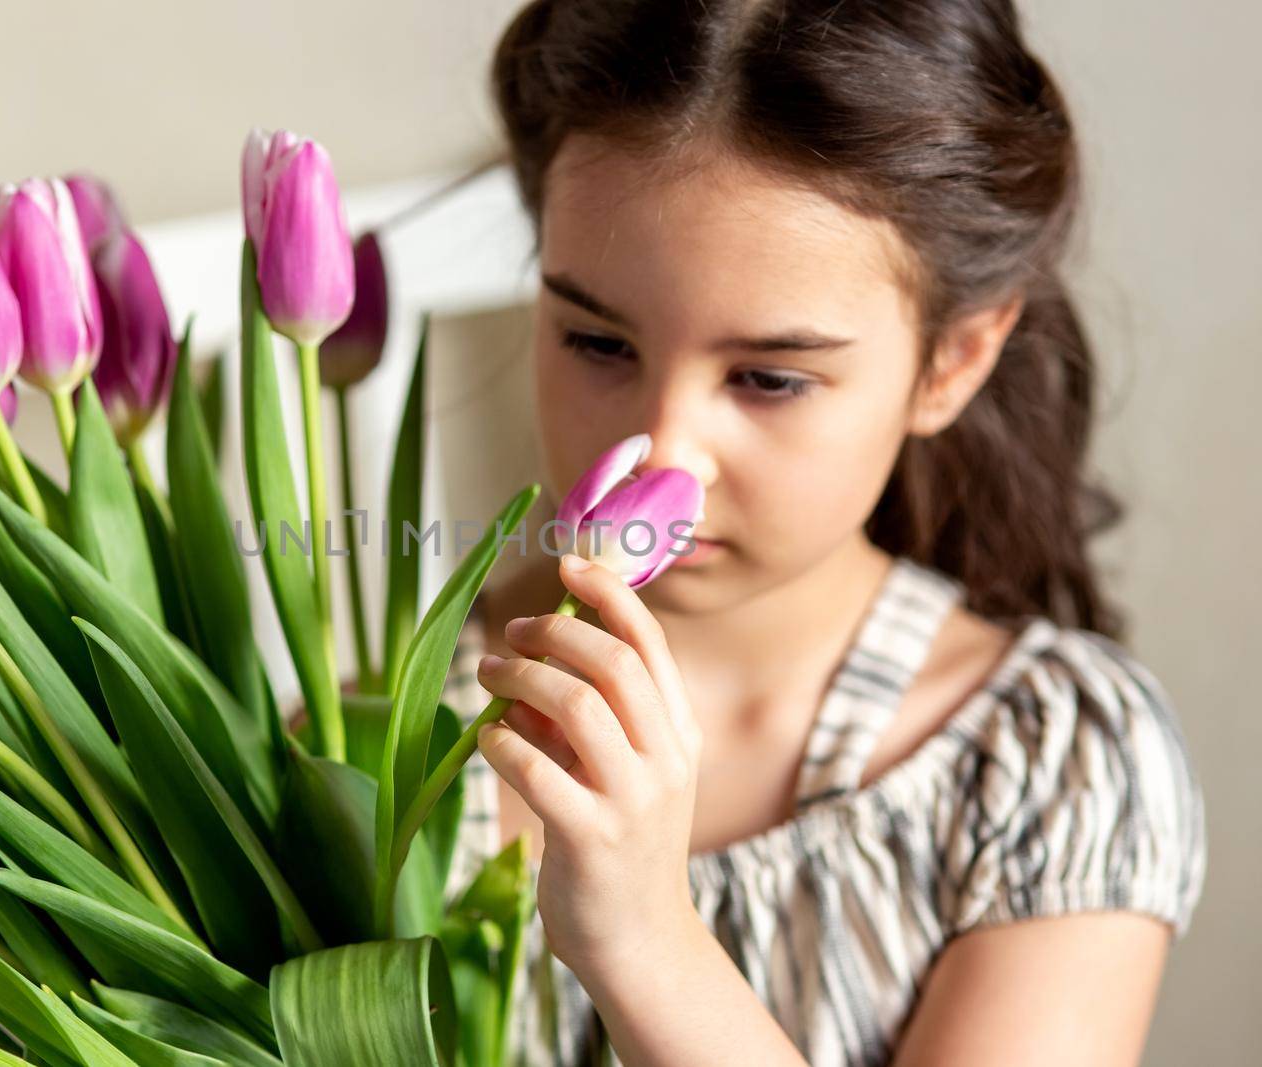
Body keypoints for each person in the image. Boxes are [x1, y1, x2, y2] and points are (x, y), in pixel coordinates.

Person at [441, 2, 1206, 1064]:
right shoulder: (363, 717)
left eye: (768, 377)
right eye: (595, 339)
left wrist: (644, 943)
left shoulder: (1042, 764)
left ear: (954, 362)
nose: (665, 453)